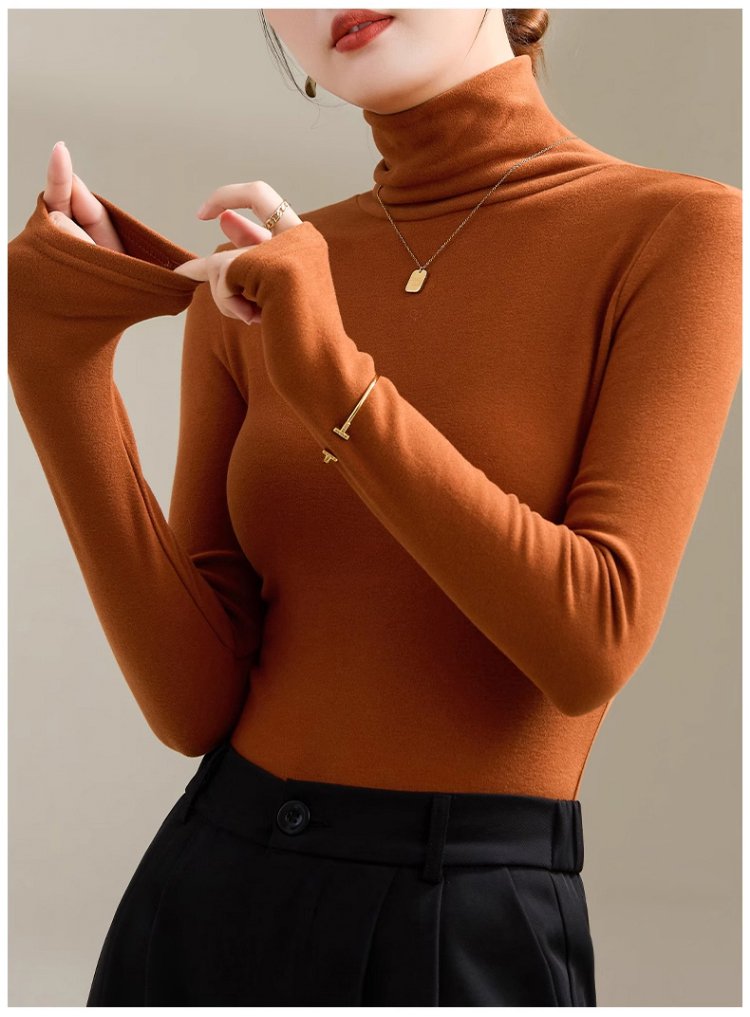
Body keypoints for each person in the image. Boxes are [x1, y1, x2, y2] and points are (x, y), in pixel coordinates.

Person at [7, 7, 741, 1007]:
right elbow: (192, 703)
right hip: (207, 894)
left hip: (460, 921)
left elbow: (590, 642)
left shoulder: (676, 230)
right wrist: (59, 373)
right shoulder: (266, 277)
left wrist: (336, 384)